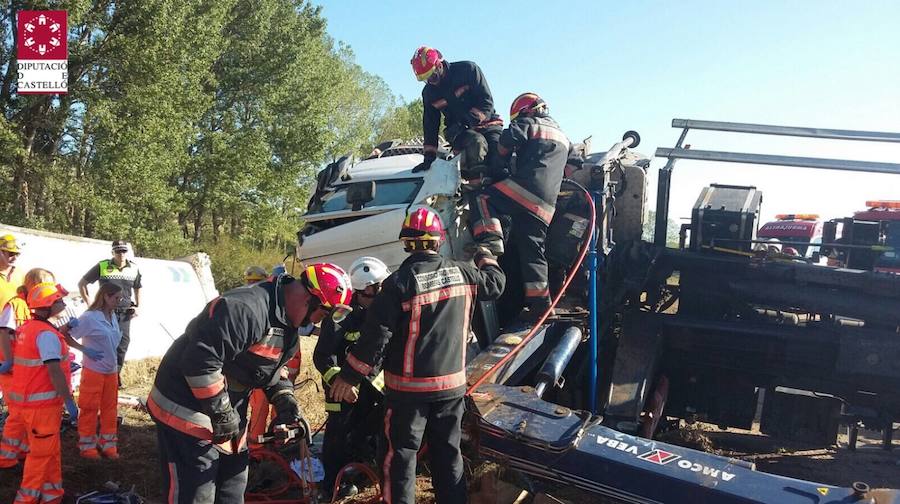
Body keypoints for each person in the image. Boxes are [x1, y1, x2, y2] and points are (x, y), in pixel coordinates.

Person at [330, 207, 505, 504]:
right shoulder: (464, 273)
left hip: (408, 393)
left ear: (407, 243)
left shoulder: (399, 283)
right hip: (451, 388)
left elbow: (377, 337)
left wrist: (349, 377)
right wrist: (485, 252)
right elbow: (496, 283)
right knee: (448, 455)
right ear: (438, 241)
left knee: (399, 458)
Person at [148, 264, 353, 503]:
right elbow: (199, 363)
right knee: (196, 492)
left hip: (227, 406)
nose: (318, 323)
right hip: (185, 406)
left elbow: (274, 370)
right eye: (323, 314)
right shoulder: (245, 309)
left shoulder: (286, 324)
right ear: (308, 299)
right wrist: (222, 414)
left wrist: (285, 403)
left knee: (233, 487)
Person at [469, 92, 570, 320]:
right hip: (546, 205)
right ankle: (542, 307)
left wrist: (499, 165)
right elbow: (574, 162)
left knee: (482, 198)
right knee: (532, 252)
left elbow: (507, 140)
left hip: (525, 189)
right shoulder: (563, 136)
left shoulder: (529, 123)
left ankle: (491, 240)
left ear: (525, 111)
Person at [313, 256, 390, 500]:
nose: (378, 297)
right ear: (363, 290)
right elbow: (322, 356)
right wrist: (338, 381)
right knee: (337, 436)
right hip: (341, 390)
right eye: (372, 292)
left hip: (373, 390)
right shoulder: (341, 316)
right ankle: (332, 485)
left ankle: (362, 470)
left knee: (370, 431)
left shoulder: (384, 314)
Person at [8, 281, 79, 503]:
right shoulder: (47, 335)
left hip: (28, 405)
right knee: (39, 457)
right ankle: (26, 499)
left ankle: (52, 495)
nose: (64, 303)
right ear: (48, 305)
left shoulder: (29, 329)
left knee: (49, 451)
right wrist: (69, 401)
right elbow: (53, 371)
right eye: (59, 300)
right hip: (42, 409)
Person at [0, 268, 61, 469]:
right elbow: (4, 332)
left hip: (24, 372)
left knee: (23, 417)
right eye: (46, 284)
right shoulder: (16, 305)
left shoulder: (35, 307)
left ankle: (22, 454)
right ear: (34, 284)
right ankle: (7, 459)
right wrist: (8, 360)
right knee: (17, 416)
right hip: (12, 371)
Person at [410, 46, 503, 176]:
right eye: (426, 80)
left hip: (487, 124)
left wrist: (470, 121)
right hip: (458, 132)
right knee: (476, 143)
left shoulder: (468, 70)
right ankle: (475, 189)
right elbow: (430, 124)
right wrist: (429, 156)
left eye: (433, 76)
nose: (431, 82)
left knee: (499, 156)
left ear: (439, 65)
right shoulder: (429, 93)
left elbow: (486, 102)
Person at [67, 283, 123, 459]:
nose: (119, 301)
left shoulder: (112, 316)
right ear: (105, 296)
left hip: (110, 370)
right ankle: (87, 445)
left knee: (110, 408)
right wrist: (84, 350)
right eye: (116, 298)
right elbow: (66, 334)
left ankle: (108, 444)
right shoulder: (90, 317)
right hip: (94, 370)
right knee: (90, 407)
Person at [78, 240, 142, 384]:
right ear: (112, 252)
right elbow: (82, 283)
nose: (121, 254)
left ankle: (115, 374)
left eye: (124, 251)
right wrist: (89, 302)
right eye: (118, 251)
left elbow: (138, 287)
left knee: (123, 343)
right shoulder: (103, 266)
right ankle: (101, 374)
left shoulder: (134, 268)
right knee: (105, 342)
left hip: (125, 312)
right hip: (106, 311)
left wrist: (138, 305)